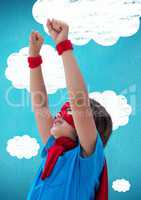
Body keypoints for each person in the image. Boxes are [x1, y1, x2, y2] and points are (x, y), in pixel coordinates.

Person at [27, 18, 113, 200]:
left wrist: (63, 46)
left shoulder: (87, 160)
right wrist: (34, 57)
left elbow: (79, 102)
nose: (59, 114)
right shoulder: (53, 150)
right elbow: (39, 105)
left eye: (69, 112)